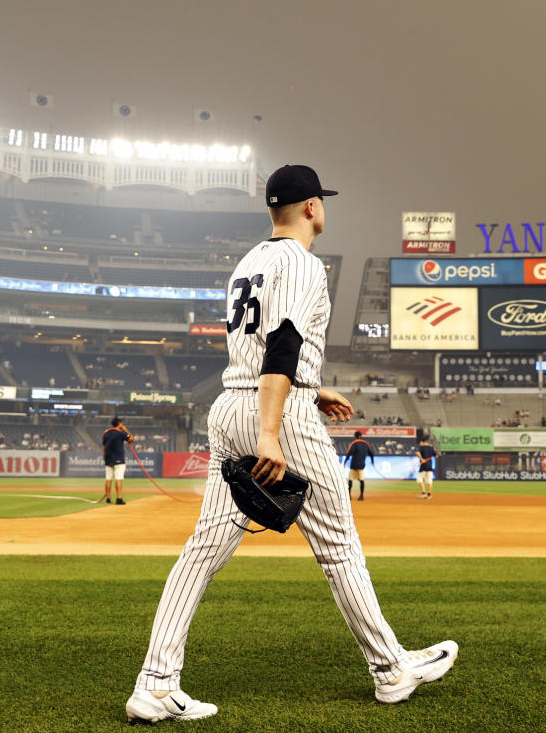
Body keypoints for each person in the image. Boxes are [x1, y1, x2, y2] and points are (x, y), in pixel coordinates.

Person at [125, 165, 457, 724]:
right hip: (274, 415)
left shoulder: (248, 261)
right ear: (310, 208)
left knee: (202, 549)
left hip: (230, 405)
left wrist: (311, 382)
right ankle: (389, 670)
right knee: (339, 548)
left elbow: (259, 348)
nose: (324, 208)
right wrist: (272, 431)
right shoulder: (303, 264)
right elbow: (281, 345)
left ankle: (155, 682)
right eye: (321, 201)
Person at [102, 417, 134, 504]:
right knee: (118, 479)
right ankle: (119, 498)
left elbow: (104, 447)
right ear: (119, 424)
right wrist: (126, 430)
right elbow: (132, 439)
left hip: (108, 459)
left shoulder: (106, 433)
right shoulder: (120, 433)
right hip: (119, 459)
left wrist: (105, 457)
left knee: (108, 479)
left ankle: (108, 498)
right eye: (121, 423)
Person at [346, 429, 374, 501]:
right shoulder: (366, 444)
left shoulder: (354, 443)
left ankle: (349, 496)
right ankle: (361, 496)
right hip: (361, 465)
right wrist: (372, 461)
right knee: (361, 480)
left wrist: (345, 460)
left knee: (350, 480)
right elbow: (371, 453)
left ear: (355, 436)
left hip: (354, 465)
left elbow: (350, 452)